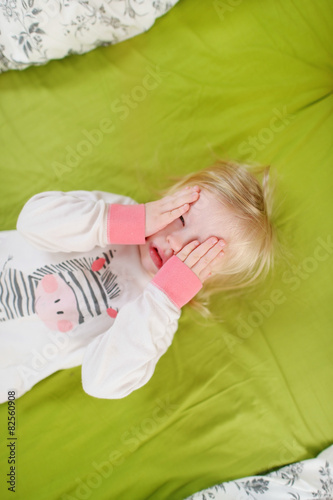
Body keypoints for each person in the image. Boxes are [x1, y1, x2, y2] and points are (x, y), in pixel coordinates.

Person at [0, 159, 274, 403]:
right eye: (180, 219)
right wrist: (126, 221)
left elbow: (101, 383)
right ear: (171, 197)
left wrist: (164, 299)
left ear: (206, 276)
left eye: (197, 252)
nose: (176, 243)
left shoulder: (157, 321)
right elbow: (31, 222)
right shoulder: (118, 211)